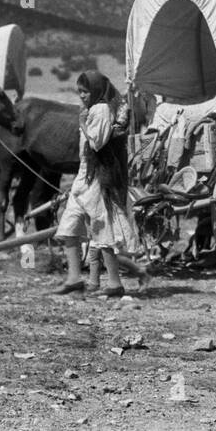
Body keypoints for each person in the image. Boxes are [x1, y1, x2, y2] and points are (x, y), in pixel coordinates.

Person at [51, 70, 149, 297]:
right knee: (69, 226)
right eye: (80, 92)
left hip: (98, 178)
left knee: (102, 230)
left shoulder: (101, 109)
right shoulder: (92, 109)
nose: (82, 96)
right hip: (84, 175)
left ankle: (114, 283)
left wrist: (83, 124)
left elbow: (97, 143)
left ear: (95, 91)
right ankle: (74, 278)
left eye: (85, 92)